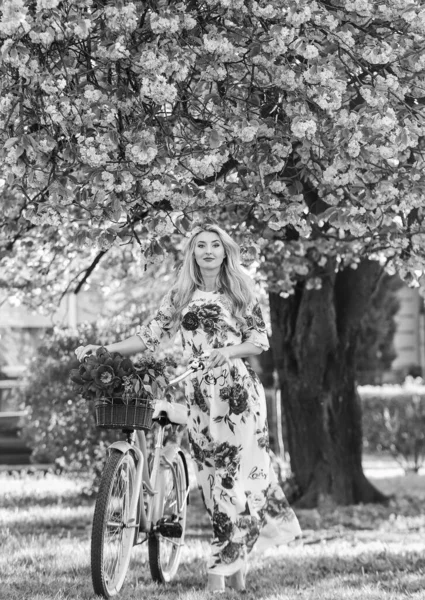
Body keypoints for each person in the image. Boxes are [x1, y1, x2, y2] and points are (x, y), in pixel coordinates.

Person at [75, 223, 301, 593]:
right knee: (213, 483)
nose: (208, 251)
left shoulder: (240, 290)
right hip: (198, 397)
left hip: (237, 396)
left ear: (226, 251)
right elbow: (148, 337)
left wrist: (226, 351)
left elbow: (259, 341)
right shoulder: (180, 294)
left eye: (215, 245)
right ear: (192, 253)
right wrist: (105, 351)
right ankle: (236, 568)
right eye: (200, 246)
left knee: (231, 476)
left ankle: (217, 575)